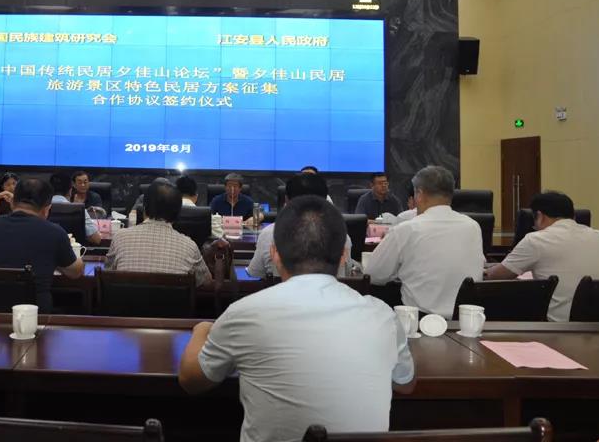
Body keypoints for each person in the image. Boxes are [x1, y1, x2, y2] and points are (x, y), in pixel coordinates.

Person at [178, 195, 414, 439]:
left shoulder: (245, 312)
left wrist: (201, 330)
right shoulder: (383, 315)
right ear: (344, 255)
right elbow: (405, 384)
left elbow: (191, 380)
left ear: (275, 254)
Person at [365, 166, 484, 317]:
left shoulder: (407, 228)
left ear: (419, 194)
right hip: (464, 320)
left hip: (418, 321)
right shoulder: (473, 227)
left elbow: (373, 274)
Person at [486, 191, 599, 321]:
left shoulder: (537, 239)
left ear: (540, 216)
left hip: (559, 325)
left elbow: (497, 276)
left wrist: (485, 270)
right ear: (573, 216)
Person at [0, 178, 84, 312]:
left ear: (12, 203)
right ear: (47, 209)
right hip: (35, 315)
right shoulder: (54, 233)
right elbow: (75, 272)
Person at [247, 173, 356, 279]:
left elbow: (255, 273)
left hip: (281, 291)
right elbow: (346, 274)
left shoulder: (269, 234)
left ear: (286, 200)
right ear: (325, 200)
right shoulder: (342, 237)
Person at [104, 180, 211, 286]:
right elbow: (206, 281)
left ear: (144, 208)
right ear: (178, 214)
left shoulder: (120, 238)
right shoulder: (189, 246)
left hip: (125, 298)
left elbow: (107, 274)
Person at [50, 172, 102, 245]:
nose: (83, 185)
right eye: (80, 182)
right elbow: (96, 239)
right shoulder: (79, 209)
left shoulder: (41, 208)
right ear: (70, 190)